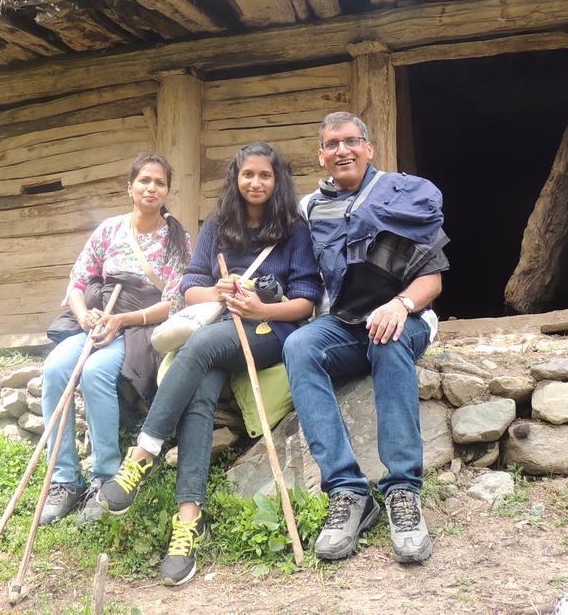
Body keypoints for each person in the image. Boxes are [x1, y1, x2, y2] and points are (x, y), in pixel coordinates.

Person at [96, 141, 322, 586]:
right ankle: (188, 520)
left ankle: (142, 455)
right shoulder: (218, 223)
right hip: (221, 327)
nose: (255, 182)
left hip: (269, 332)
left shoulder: (294, 228)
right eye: (247, 174)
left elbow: (307, 301)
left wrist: (261, 307)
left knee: (197, 349)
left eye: (265, 175)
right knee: (200, 391)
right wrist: (218, 293)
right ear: (235, 179)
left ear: (277, 182)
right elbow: (190, 287)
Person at [282, 112, 449, 564]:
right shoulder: (311, 208)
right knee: (299, 346)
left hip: (404, 318)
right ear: (321, 155)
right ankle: (350, 492)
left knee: (388, 338)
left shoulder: (402, 195)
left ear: (369, 148)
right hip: (344, 323)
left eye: (352, 141)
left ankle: (404, 492)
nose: (343, 151)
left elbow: (432, 279)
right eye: (333, 144)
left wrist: (400, 305)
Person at [39, 153, 191, 525]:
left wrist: (123, 318)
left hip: (140, 326)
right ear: (130, 187)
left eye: (159, 182)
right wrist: (84, 314)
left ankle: (104, 477)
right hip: (97, 320)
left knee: (94, 373)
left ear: (168, 189)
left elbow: (173, 301)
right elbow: (77, 283)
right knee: (56, 368)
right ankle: (63, 480)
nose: (151, 188)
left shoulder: (177, 239)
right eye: (144, 181)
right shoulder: (108, 230)